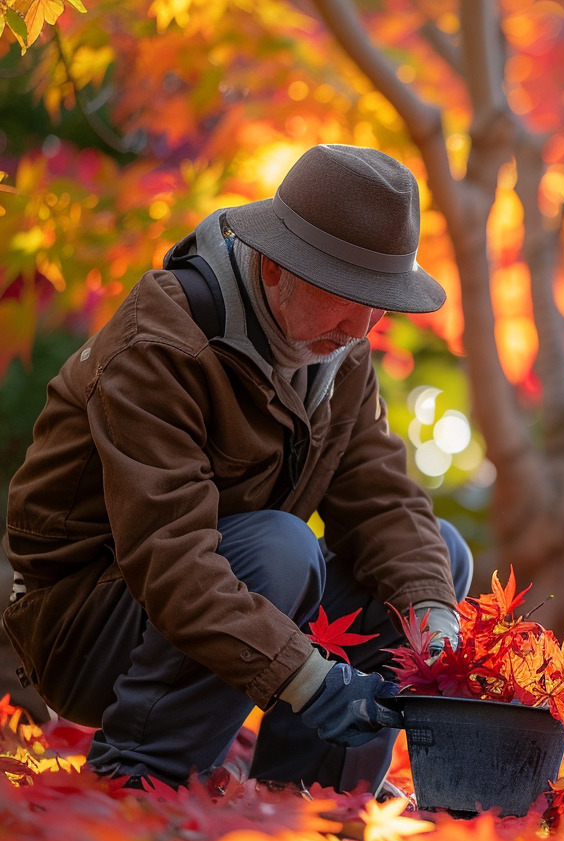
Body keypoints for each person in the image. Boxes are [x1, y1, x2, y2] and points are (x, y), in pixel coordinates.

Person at [1, 144, 472, 793]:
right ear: (276, 268)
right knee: (281, 547)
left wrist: (436, 623)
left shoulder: (336, 351)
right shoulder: (163, 345)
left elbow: (381, 497)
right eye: (347, 295)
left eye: (380, 301)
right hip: (82, 628)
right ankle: (144, 774)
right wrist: (309, 680)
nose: (363, 326)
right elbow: (171, 557)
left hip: (220, 606)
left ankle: (317, 795)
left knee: (434, 560)